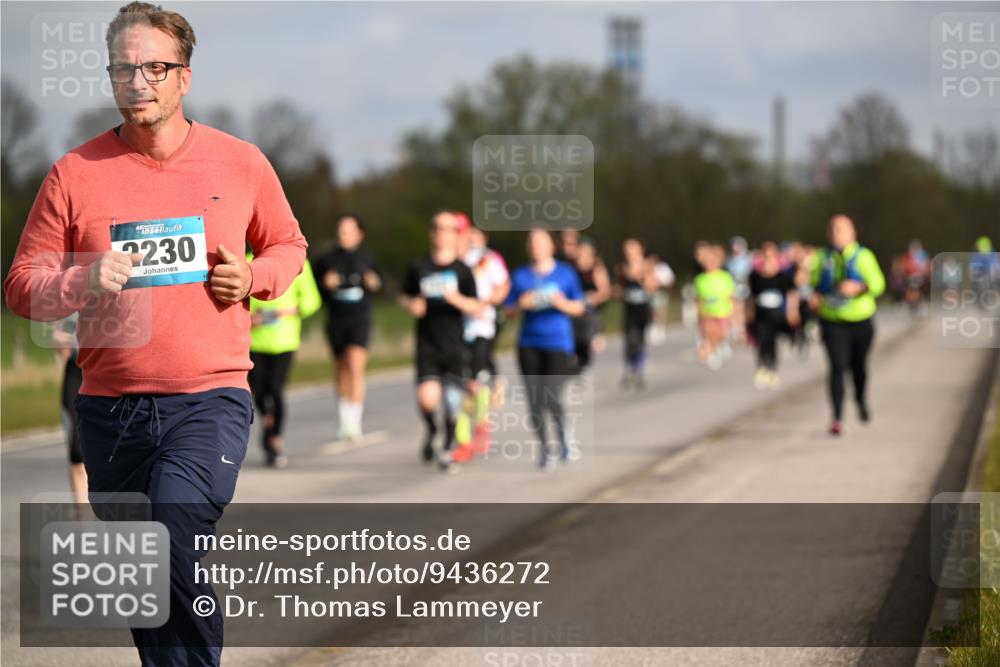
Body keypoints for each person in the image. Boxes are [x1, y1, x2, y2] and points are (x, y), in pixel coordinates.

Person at [2, 4, 308, 664]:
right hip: (111, 410)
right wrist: (83, 278)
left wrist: (251, 276)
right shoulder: (75, 172)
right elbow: (20, 283)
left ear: (185, 78)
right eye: (123, 68)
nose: (137, 80)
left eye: (154, 67)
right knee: (149, 581)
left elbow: (289, 243)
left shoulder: (240, 162)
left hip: (209, 398)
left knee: (172, 530)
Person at [400, 212, 482, 472]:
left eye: (446, 228)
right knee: (427, 400)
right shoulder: (419, 267)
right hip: (427, 343)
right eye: (436, 227)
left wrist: (456, 299)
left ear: (455, 234)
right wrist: (411, 304)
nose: (440, 232)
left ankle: (447, 448)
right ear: (431, 232)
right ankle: (432, 429)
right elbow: (404, 296)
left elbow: (477, 307)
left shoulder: (462, 270)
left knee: (453, 405)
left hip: (454, 345)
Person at [506, 228, 586, 471]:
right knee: (534, 402)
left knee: (550, 394)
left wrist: (561, 303)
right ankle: (545, 448)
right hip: (529, 343)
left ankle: (564, 434)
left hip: (558, 342)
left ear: (551, 245)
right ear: (528, 247)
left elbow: (580, 308)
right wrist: (520, 305)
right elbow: (507, 311)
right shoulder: (520, 276)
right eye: (532, 241)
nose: (537, 245)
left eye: (542, 241)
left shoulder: (565, 273)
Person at [810, 214, 885, 436]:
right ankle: (837, 417)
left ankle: (860, 398)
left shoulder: (864, 256)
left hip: (861, 321)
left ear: (853, 233)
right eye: (833, 229)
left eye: (842, 229)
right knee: (836, 367)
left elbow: (879, 285)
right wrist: (813, 297)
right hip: (832, 321)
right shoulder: (821, 257)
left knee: (858, 367)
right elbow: (813, 285)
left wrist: (858, 287)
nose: (837, 234)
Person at [311, 214, 382, 440]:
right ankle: (344, 417)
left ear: (359, 234)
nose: (344, 235)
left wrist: (374, 283)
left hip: (360, 318)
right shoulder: (325, 260)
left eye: (349, 231)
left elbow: (381, 287)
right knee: (341, 367)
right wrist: (325, 284)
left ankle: (355, 420)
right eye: (341, 230)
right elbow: (315, 292)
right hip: (336, 319)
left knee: (355, 364)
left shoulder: (368, 258)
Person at [248, 257, 322, 467]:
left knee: (276, 389)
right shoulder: (247, 260)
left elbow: (312, 301)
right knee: (259, 392)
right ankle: (269, 422)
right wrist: (250, 317)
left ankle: (275, 439)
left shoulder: (297, 261)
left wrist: (288, 311)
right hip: (255, 340)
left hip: (285, 339)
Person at [455, 215, 510, 457]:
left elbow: (503, 285)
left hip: (480, 326)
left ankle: (480, 426)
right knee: (459, 383)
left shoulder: (486, 259)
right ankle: (463, 437)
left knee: (475, 379)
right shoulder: (454, 259)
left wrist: (487, 303)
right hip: (455, 328)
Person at [747, 242, 800, 389]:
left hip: (776, 315)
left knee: (772, 342)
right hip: (760, 315)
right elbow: (750, 296)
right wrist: (748, 313)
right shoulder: (755, 276)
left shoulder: (783, 276)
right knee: (761, 342)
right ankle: (761, 368)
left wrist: (792, 311)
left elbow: (792, 294)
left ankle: (772, 369)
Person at [52, 314, 88, 510]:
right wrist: (60, 338)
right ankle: (85, 523)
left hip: (111, 370)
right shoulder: (69, 288)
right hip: (76, 369)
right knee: (76, 452)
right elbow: (58, 339)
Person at [616, 238, 659, 388]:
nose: (630, 253)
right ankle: (629, 368)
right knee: (629, 338)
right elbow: (619, 288)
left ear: (640, 250)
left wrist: (642, 276)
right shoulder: (622, 267)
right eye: (627, 250)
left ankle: (639, 370)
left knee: (639, 338)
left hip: (643, 307)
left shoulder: (647, 266)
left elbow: (653, 286)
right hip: (629, 308)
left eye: (633, 249)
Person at [571, 237, 611, 373]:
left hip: (592, 310)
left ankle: (584, 361)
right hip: (575, 309)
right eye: (580, 250)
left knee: (585, 339)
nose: (582, 253)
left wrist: (589, 299)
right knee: (573, 340)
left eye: (585, 250)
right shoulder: (571, 268)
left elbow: (605, 292)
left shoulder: (596, 268)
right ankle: (577, 365)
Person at [693, 245, 736, 369]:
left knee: (720, 334)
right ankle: (711, 349)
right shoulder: (700, 279)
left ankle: (715, 347)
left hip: (723, 311)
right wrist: (698, 315)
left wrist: (734, 316)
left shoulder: (725, 277)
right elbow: (698, 299)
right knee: (709, 333)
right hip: (707, 312)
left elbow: (731, 296)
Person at [726, 235, 753, 345]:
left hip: (745, 288)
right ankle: (736, 332)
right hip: (733, 288)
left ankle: (743, 332)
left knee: (743, 311)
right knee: (734, 310)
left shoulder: (748, 259)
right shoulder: (729, 260)